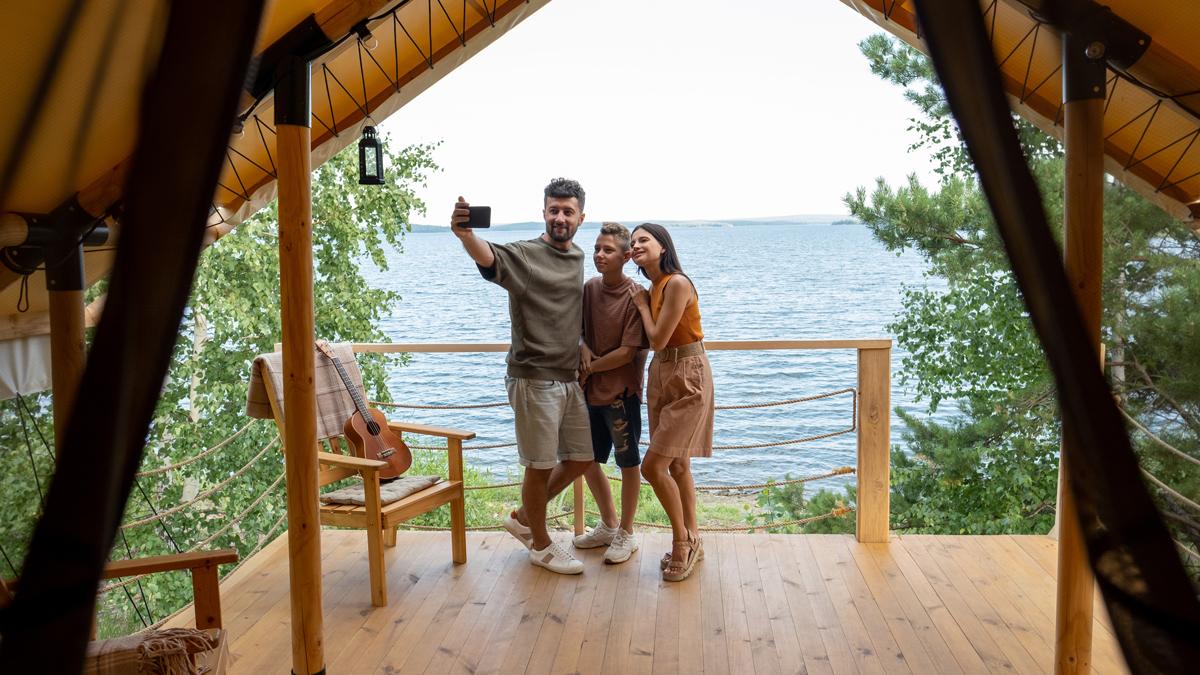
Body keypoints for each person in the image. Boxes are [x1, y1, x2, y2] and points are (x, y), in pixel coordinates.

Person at [451, 178, 594, 575]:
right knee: (540, 464)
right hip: (534, 378)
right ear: (543, 212)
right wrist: (466, 236)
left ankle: (522, 517)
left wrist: (581, 340)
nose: (560, 217)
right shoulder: (527, 255)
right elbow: (490, 259)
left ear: (582, 216)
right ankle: (542, 544)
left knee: (583, 457)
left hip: (568, 377)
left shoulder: (579, 256)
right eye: (554, 210)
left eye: (568, 211)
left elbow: (567, 308)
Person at [627, 223, 714, 582]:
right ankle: (694, 537)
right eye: (631, 242)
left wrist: (642, 305)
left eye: (643, 240)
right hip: (662, 373)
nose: (635, 246)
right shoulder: (655, 286)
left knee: (652, 466)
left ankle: (681, 542)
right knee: (677, 464)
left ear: (663, 247)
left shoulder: (676, 283)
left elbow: (659, 339)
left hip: (686, 372)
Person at [573, 222, 649, 564]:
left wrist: (591, 365)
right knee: (586, 460)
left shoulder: (636, 295)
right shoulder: (589, 288)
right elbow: (577, 329)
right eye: (597, 249)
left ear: (626, 255)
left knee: (628, 462)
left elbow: (628, 352)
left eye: (608, 250)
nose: (599, 255)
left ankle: (627, 533)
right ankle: (608, 524)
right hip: (590, 393)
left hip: (622, 394)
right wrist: (581, 346)